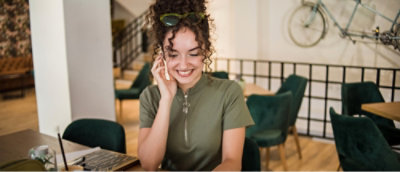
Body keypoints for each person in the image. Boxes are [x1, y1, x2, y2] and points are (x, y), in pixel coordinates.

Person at [137, 0, 254, 170]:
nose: (183, 65)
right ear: (162, 55)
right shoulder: (150, 96)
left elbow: (232, 163)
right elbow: (148, 164)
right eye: (173, 54)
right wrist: (166, 99)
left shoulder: (229, 92)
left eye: (193, 53)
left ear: (206, 51)